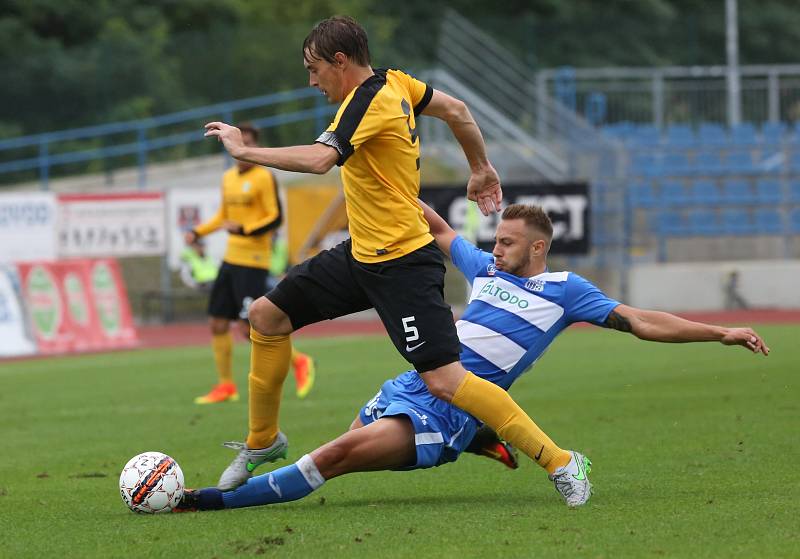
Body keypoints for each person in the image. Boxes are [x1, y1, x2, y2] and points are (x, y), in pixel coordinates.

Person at [177, 201, 769, 511]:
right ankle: (485, 437)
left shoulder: (566, 290)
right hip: (414, 383)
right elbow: (434, 226)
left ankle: (201, 502)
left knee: (332, 457)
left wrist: (720, 333)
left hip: (449, 404)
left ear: (538, 248)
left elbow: (643, 322)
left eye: (508, 242)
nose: (496, 249)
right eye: (496, 239)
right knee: (352, 441)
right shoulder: (483, 267)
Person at [203, 15, 581, 494]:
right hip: (361, 257)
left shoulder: (364, 103)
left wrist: (245, 150)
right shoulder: (398, 82)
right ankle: (263, 441)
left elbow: (320, 161)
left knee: (445, 381)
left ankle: (561, 461)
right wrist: (481, 168)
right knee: (266, 316)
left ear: (340, 61)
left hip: (404, 263)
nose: (311, 81)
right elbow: (459, 110)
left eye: (314, 68)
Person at [186, 122, 316, 405]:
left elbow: (274, 218)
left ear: (255, 147)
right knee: (218, 322)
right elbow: (223, 217)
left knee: (249, 327)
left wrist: (245, 230)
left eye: (248, 143)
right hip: (231, 259)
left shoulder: (262, 177)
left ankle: (300, 361)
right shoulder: (228, 178)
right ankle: (226, 386)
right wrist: (197, 232)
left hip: (254, 260)